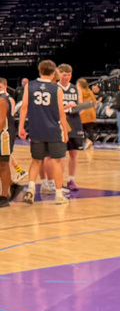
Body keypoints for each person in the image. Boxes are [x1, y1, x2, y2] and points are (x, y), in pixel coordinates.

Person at [17, 59, 70, 206]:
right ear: (54, 73)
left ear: (39, 71)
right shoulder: (56, 89)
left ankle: (31, 189)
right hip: (53, 129)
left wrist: (21, 127)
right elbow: (61, 113)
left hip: (36, 129)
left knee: (36, 161)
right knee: (56, 162)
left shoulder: (30, 85)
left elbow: (24, 107)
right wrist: (65, 131)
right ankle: (59, 195)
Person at [57, 63, 84, 194]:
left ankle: (71, 179)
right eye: (64, 74)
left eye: (68, 75)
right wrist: (66, 107)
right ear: (58, 74)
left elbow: (80, 106)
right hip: (61, 123)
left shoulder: (75, 89)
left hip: (75, 122)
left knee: (74, 153)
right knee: (61, 154)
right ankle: (59, 181)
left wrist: (78, 107)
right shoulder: (55, 88)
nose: (66, 77)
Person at [0, 77, 25, 207]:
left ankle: (4, 196)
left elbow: (2, 121)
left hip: (4, 136)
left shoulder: (3, 99)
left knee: (3, 165)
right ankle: (12, 186)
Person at [77, 77, 98, 148]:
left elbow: (80, 102)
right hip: (91, 111)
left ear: (79, 84)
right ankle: (90, 141)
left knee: (80, 128)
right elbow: (95, 102)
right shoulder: (89, 91)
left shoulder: (79, 90)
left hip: (84, 110)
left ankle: (83, 142)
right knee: (89, 128)